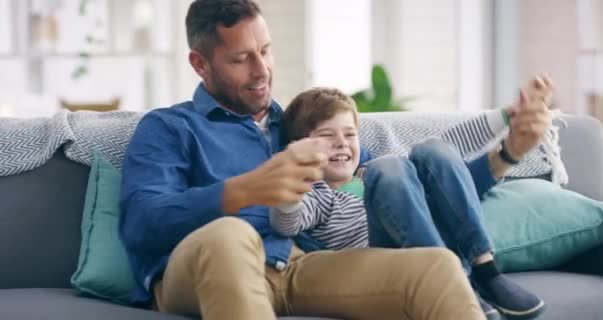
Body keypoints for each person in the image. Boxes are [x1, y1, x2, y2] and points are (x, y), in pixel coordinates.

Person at [119, 1, 537, 319]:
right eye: (240, 59)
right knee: (229, 234)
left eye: (265, 51)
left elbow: (414, 189)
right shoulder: (170, 128)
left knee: (436, 266)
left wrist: (508, 152)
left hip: (301, 265)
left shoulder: (302, 126)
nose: (261, 70)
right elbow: (141, 224)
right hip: (204, 267)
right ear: (200, 64)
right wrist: (244, 190)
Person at [272, 85, 553, 320]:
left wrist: (504, 116)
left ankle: (485, 270)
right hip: (394, 267)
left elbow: (449, 147)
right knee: (389, 168)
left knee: (433, 150)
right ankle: (451, 283)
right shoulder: (319, 194)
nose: (341, 143)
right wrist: (290, 179)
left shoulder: (372, 170)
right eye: (326, 136)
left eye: (349, 134)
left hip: (442, 246)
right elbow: (288, 222)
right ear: (300, 145)